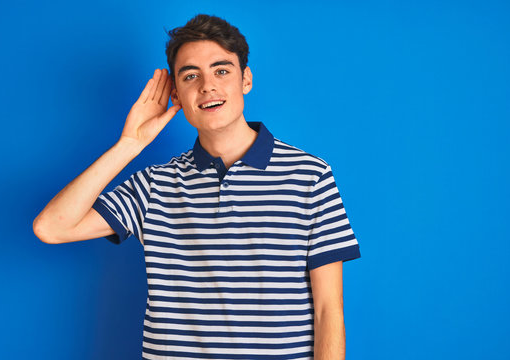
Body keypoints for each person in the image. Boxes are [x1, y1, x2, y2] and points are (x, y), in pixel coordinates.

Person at [33, 14, 360, 360]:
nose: (207, 86)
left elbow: (328, 310)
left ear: (245, 79)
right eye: (191, 76)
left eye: (221, 70)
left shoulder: (309, 175)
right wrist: (130, 143)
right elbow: (52, 227)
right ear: (176, 92)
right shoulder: (154, 185)